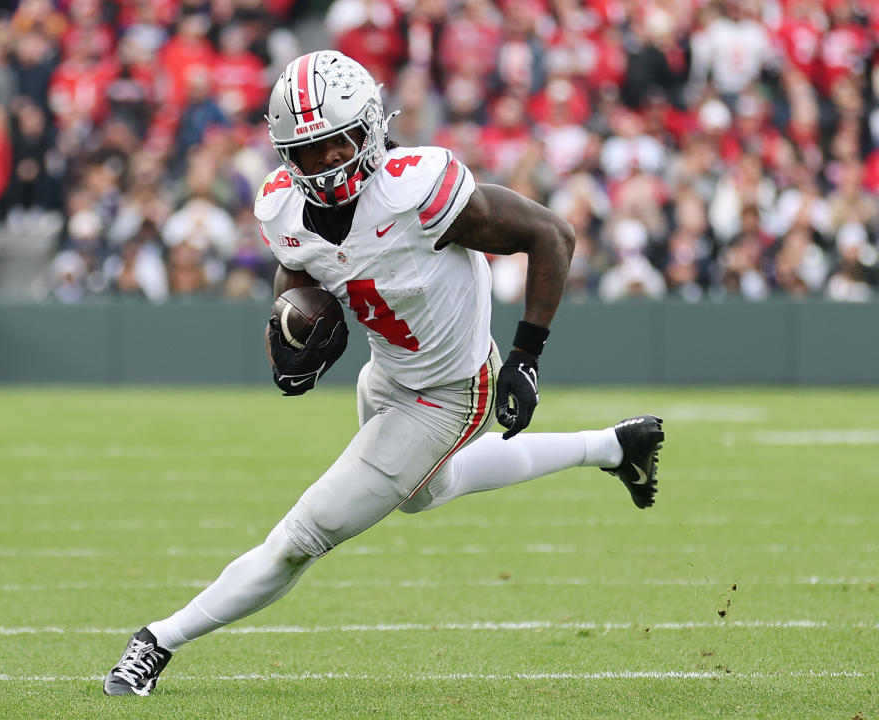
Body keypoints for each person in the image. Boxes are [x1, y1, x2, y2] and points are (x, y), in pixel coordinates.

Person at [104, 50, 665, 696]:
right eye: (305, 151)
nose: (322, 166)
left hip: (452, 390)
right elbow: (300, 265)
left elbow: (552, 235)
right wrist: (294, 324)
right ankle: (614, 447)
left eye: (334, 145)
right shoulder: (283, 209)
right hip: (389, 375)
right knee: (429, 490)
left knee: (302, 534)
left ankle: (157, 640)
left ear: (368, 129)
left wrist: (525, 358)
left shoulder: (419, 189)